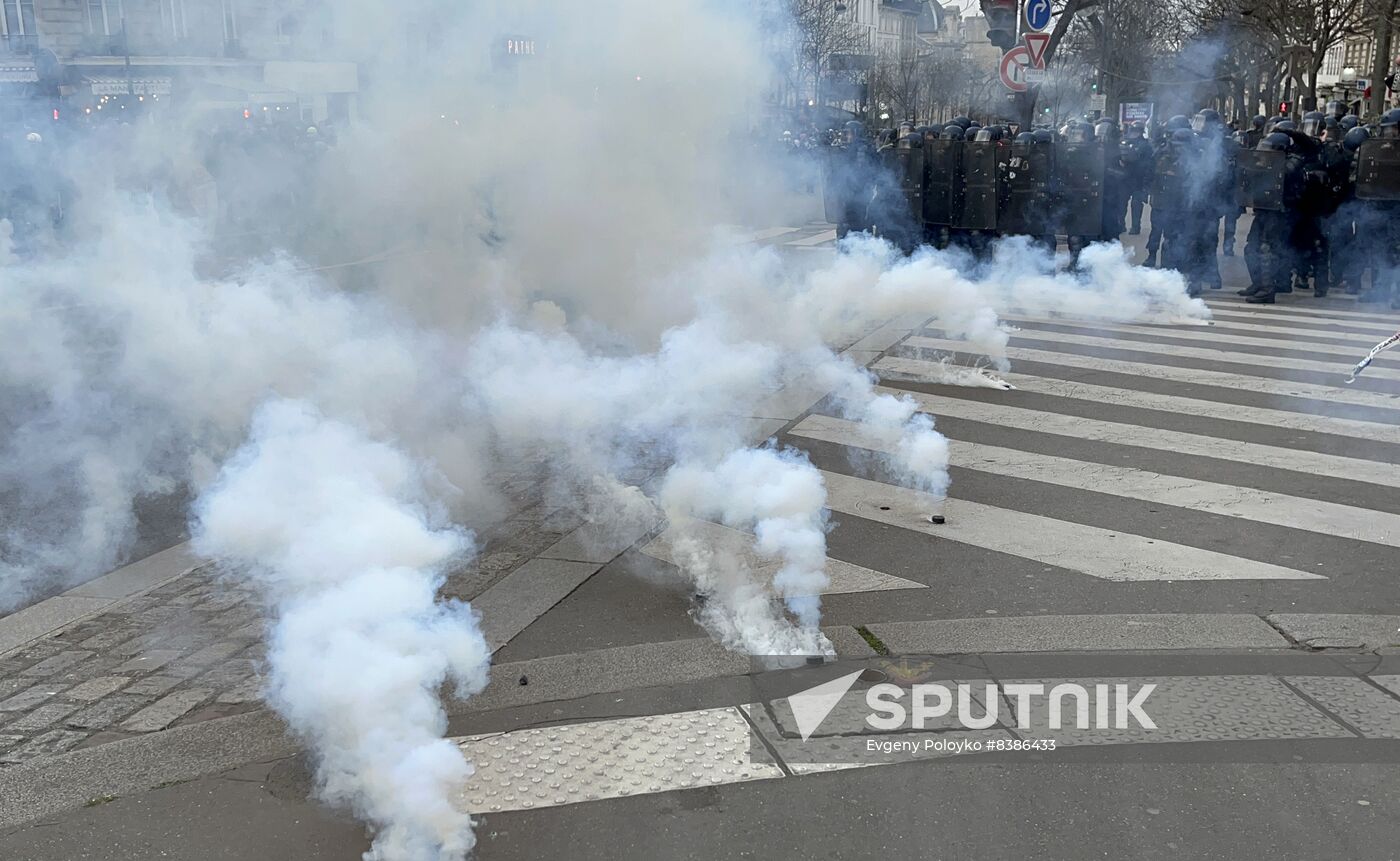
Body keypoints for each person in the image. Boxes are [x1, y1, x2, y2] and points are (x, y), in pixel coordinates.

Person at [1119, 121, 1154, 235]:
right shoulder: (1127, 142)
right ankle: (1126, 226)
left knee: (1134, 203)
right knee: (1125, 203)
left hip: (1136, 178)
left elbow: (1149, 164)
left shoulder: (1145, 146)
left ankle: (1131, 226)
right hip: (1130, 178)